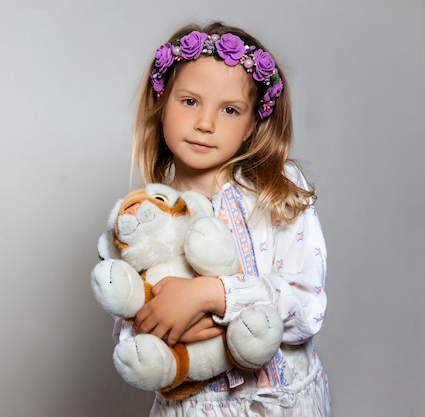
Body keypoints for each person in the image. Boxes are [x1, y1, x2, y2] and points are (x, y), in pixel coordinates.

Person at [111, 21, 331, 416]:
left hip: (281, 403)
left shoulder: (277, 190)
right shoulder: (146, 213)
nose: (205, 123)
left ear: (252, 126)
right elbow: (132, 331)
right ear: (162, 103)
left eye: (230, 110)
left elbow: (307, 308)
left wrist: (210, 295)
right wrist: (166, 330)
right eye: (190, 101)